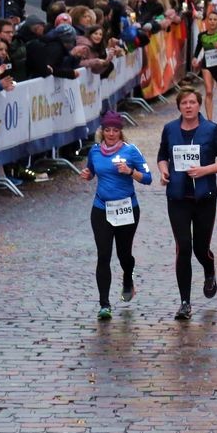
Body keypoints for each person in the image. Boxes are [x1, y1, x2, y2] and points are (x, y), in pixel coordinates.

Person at [156, 88, 217, 321]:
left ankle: (209, 269)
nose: (188, 106)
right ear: (179, 107)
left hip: (204, 197)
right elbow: (161, 156)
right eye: (184, 103)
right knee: (183, 248)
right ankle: (185, 303)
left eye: (192, 102)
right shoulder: (170, 129)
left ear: (199, 105)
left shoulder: (210, 130)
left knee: (200, 248)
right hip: (177, 197)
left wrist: (204, 170)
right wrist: (164, 171)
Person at [79, 112, 152, 320]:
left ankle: (128, 278)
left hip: (126, 208)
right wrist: (87, 175)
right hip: (101, 209)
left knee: (124, 254)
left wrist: (130, 172)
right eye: (107, 130)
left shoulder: (131, 151)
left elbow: (147, 178)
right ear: (102, 131)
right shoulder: (94, 151)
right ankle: (104, 304)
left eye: (115, 130)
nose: (111, 134)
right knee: (103, 255)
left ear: (121, 132)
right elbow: (91, 170)